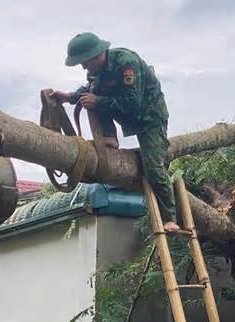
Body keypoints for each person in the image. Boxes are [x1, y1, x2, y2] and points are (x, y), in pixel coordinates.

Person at [50, 32, 180, 233]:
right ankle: (110, 138)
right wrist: (69, 97)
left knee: (153, 167)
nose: (83, 67)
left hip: (149, 118)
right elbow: (91, 89)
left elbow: (132, 103)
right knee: (93, 98)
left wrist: (98, 101)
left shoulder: (126, 64)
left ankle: (170, 217)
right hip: (124, 111)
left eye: (84, 62)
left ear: (97, 55)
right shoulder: (96, 72)